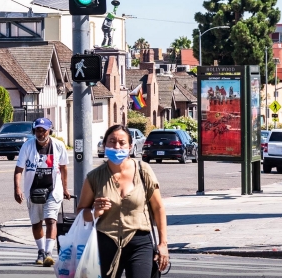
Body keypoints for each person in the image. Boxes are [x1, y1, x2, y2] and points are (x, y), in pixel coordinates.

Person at [76, 124, 170, 278]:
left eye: (122, 142)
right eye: (112, 141)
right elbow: (81, 213)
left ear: (130, 146)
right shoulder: (94, 177)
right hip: (105, 242)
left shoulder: (143, 170)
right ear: (104, 144)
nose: (117, 146)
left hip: (139, 242)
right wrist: (95, 211)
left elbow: (159, 208)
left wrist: (163, 244)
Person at [13, 117, 70, 267]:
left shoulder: (58, 146)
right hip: (33, 189)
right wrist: (17, 188)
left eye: (43, 130)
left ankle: (49, 253)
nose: (40, 133)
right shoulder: (27, 146)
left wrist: (65, 188)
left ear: (49, 131)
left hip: (53, 188)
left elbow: (64, 168)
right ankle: (40, 251)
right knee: (36, 222)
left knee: (51, 220)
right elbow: (19, 169)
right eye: (38, 130)